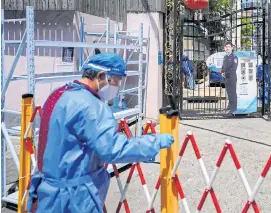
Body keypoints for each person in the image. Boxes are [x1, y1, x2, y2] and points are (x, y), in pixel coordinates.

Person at [27, 52, 174, 213]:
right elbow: (114, 149)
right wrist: (154, 142)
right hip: (74, 199)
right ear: (101, 76)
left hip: (45, 194)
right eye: (116, 81)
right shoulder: (91, 106)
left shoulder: (58, 94)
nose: (117, 87)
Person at [221, 42, 238, 114]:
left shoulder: (234, 57)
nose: (227, 48)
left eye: (229, 47)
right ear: (225, 48)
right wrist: (222, 72)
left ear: (231, 48)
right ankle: (230, 105)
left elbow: (233, 68)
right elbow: (223, 66)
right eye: (226, 47)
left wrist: (225, 73)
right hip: (226, 77)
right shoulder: (225, 57)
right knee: (228, 92)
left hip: (231, 77)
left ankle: (234, 108)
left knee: (232, 93)